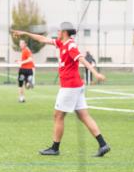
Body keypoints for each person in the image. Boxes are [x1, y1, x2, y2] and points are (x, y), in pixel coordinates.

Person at [12, 22, 110, 157]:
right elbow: (42, 39)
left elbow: (81, 59)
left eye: (59, 30)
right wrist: (25, 33)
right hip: (76, 86)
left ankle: (55, 148)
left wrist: (95, 73)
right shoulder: (61, 43)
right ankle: (103, 144)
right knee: (83, 115)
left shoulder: (70, 45)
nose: (57, 32)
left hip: (70, 87)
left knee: (58, 116)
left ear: (64, 32)